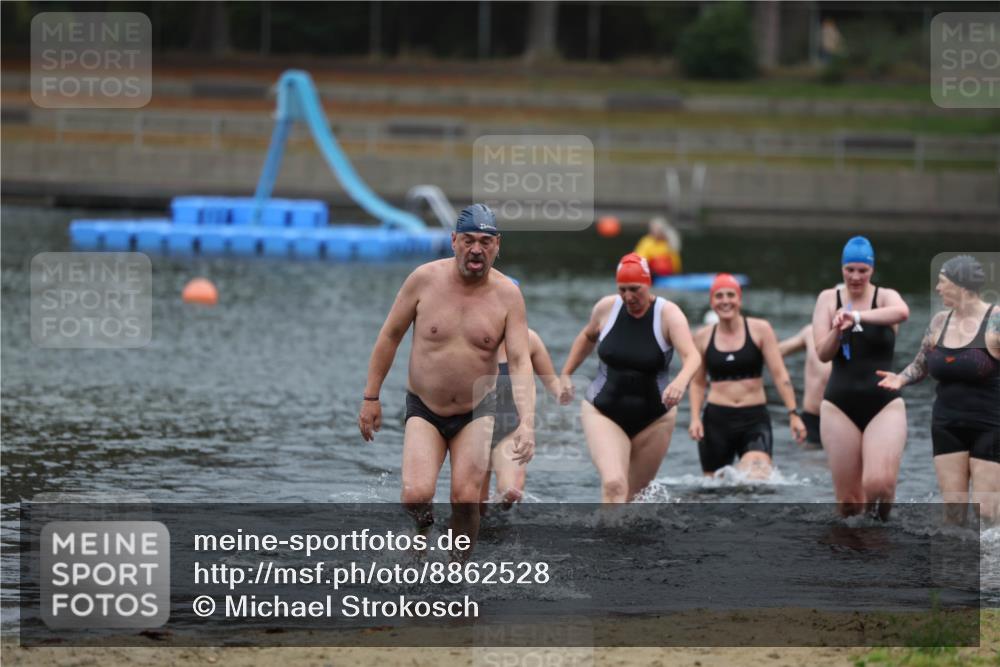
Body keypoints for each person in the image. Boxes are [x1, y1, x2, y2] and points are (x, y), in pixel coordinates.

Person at [358, 204, 535, 551]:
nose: (476, 249)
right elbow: (390, 336)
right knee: (415, 495)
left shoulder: (508, 296)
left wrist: (527, 423)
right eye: (468, 240)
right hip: (425, 407)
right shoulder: (423, 280)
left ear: (497, 246)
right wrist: (371, 397)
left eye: (485, 242)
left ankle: (457, 572)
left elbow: (519, 361)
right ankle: (422, 536)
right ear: (453, 240)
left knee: (466, 499)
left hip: (477, 409)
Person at [558, 253, 700, 503]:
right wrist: (566, 373)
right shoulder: (606, 308)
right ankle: (605, 541)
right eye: (622, 290)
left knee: (634, 500)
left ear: (648, 284)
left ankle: (624, 540)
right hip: (603, 411)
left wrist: (680, 382)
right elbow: (587, 337)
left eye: (635, 289)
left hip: (655, 419)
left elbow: (693, 357)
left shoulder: (668, 314)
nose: (628, 297)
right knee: (614, 485)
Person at [876, 255, 999, 524]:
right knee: (953, 511)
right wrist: (901, 379)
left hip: (991, 425)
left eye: (942, 282)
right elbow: (921, 363)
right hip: (947, 424)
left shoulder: (995, 321)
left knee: (988, 511)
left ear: (962, 286)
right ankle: (958, 563)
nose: (937, 289)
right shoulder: (939, 322)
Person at [813, 236, 910, 519]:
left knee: (878, 484)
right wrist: (837, 330)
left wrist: (856, 317)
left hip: (884, 403)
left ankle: (884, 522)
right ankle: (856, 555)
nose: (855, 276)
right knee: (849, 503)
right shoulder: (828, 299)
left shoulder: (885, 297)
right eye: (850, 270)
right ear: (842, 268)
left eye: (862, 270)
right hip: (839, 404)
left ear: (872, 270)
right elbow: (822, 353)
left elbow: (902, 312)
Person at [688, 274, 808, 478]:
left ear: (740, 299)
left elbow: (780, 374)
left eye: (730, 295)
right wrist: (694, 418)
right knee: (713, 489)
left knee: (757, 477)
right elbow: (698, 383)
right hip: (716, 420)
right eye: (719, 296)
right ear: (712, 301)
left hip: (754, 419)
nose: (725, 301)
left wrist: (793, 414)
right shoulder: (702, 337)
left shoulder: (761, 330)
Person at [479, 300, 561, 510]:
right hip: (475, 429)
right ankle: (481, 536)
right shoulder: (474, 339)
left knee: (510, 493)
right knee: (475, 504)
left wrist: (561, 392)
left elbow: (550, 379)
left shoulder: (530, 339)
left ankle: (505, 531)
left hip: (510, 429)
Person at [779, 323, 833, 448]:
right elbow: (777, 351)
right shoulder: (810, 332)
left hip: (846, 420)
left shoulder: (861, 335)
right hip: (812, 419)